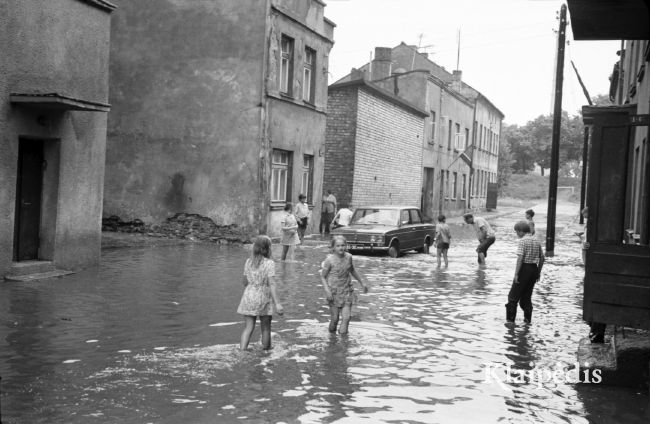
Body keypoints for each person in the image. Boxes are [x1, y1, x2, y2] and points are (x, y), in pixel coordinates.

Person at [237, 235, 284, 350]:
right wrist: (277, 303)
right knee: (266, 328)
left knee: (248, 327)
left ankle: (242, 351)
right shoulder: (269, 263)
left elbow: (244, 282)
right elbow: (272, 284)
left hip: (249, 296)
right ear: (268, 249)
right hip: (263, 297)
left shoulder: (248, 262)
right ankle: (266, 352)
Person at [320, 235, 368, 335]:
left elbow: (352, 270)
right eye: (338, 246)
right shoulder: (329, 260)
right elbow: (323, 277)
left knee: (346, 318)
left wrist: (362, 283)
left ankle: (343, 344)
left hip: (347, 291)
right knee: (335, 319)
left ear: (346, 246)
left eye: (342, 245)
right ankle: (331, 339)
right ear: (333, 247)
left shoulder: (349, 257)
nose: (341, 248)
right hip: (333, 292)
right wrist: (327, 291)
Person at [507, 221, 545, 324]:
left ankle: (510, 323)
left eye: (516, 232)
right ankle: (528, 321)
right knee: (526, 297)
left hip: (524, 269)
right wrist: (538, 272)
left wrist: (516, 274)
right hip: (534, 270)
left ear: (521, 231)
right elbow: (542, 258)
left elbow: (520, 258)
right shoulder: (536, 240)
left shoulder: (522, 241)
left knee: (512, 297)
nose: (516, 234)